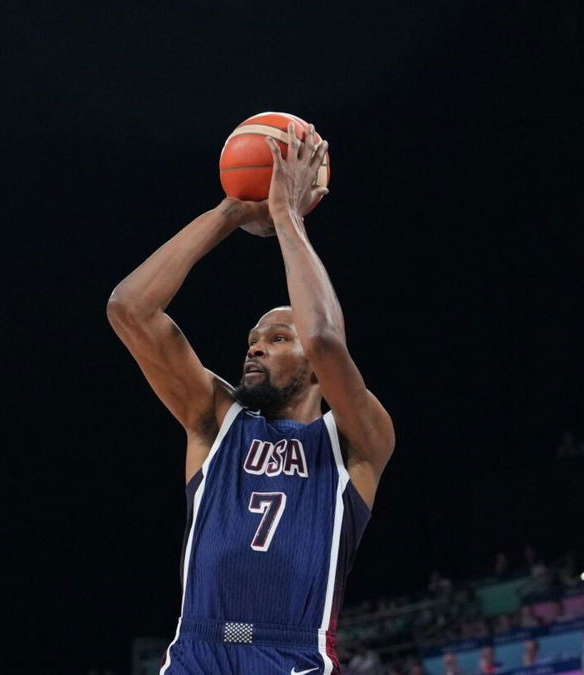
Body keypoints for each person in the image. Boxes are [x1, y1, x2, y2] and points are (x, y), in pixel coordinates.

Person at [108, 126, 395, 675]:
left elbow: (327, 338)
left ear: (311, 364)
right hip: (198, 647)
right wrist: (232, 211)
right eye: (252, 342)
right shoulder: (217, 421)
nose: (256, 348)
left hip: (294, 654)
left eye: (277, 339)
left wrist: (287, 217)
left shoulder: (357, 440)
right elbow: (129, 309)